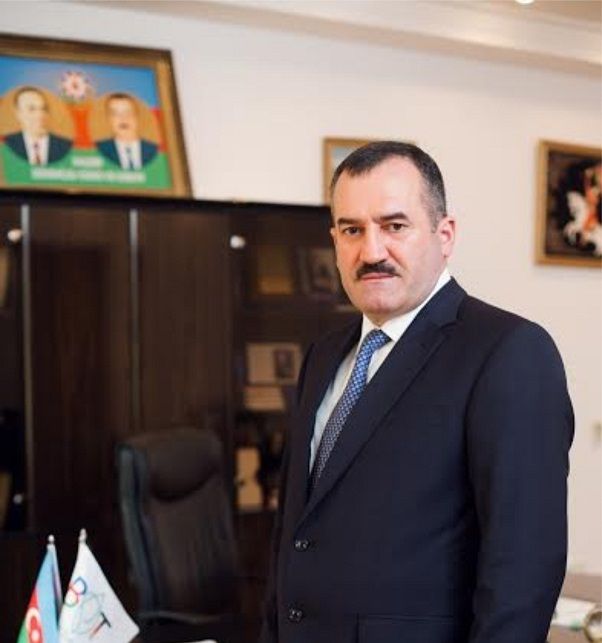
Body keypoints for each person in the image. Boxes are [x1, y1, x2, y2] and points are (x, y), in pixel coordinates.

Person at [259, 141, 574, 643]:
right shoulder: (324, 356)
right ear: (334, 240)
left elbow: (524, 566)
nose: (371, 252)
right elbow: (293, 536)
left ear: (444, 235)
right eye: (352, 230)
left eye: (394, 226)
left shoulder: (508, 351)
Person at [4, 86, 71, 165]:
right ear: (18, 114)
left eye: (43, 109)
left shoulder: (63, 145)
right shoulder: (7, 143)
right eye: (32, 109)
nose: (40, 115)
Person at [96, 93, 158, 170]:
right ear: (108, 119)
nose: (123, 118)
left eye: (128, 112)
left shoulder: (152, 149)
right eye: (115, 114)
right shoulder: (102, 148)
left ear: (137, 117)